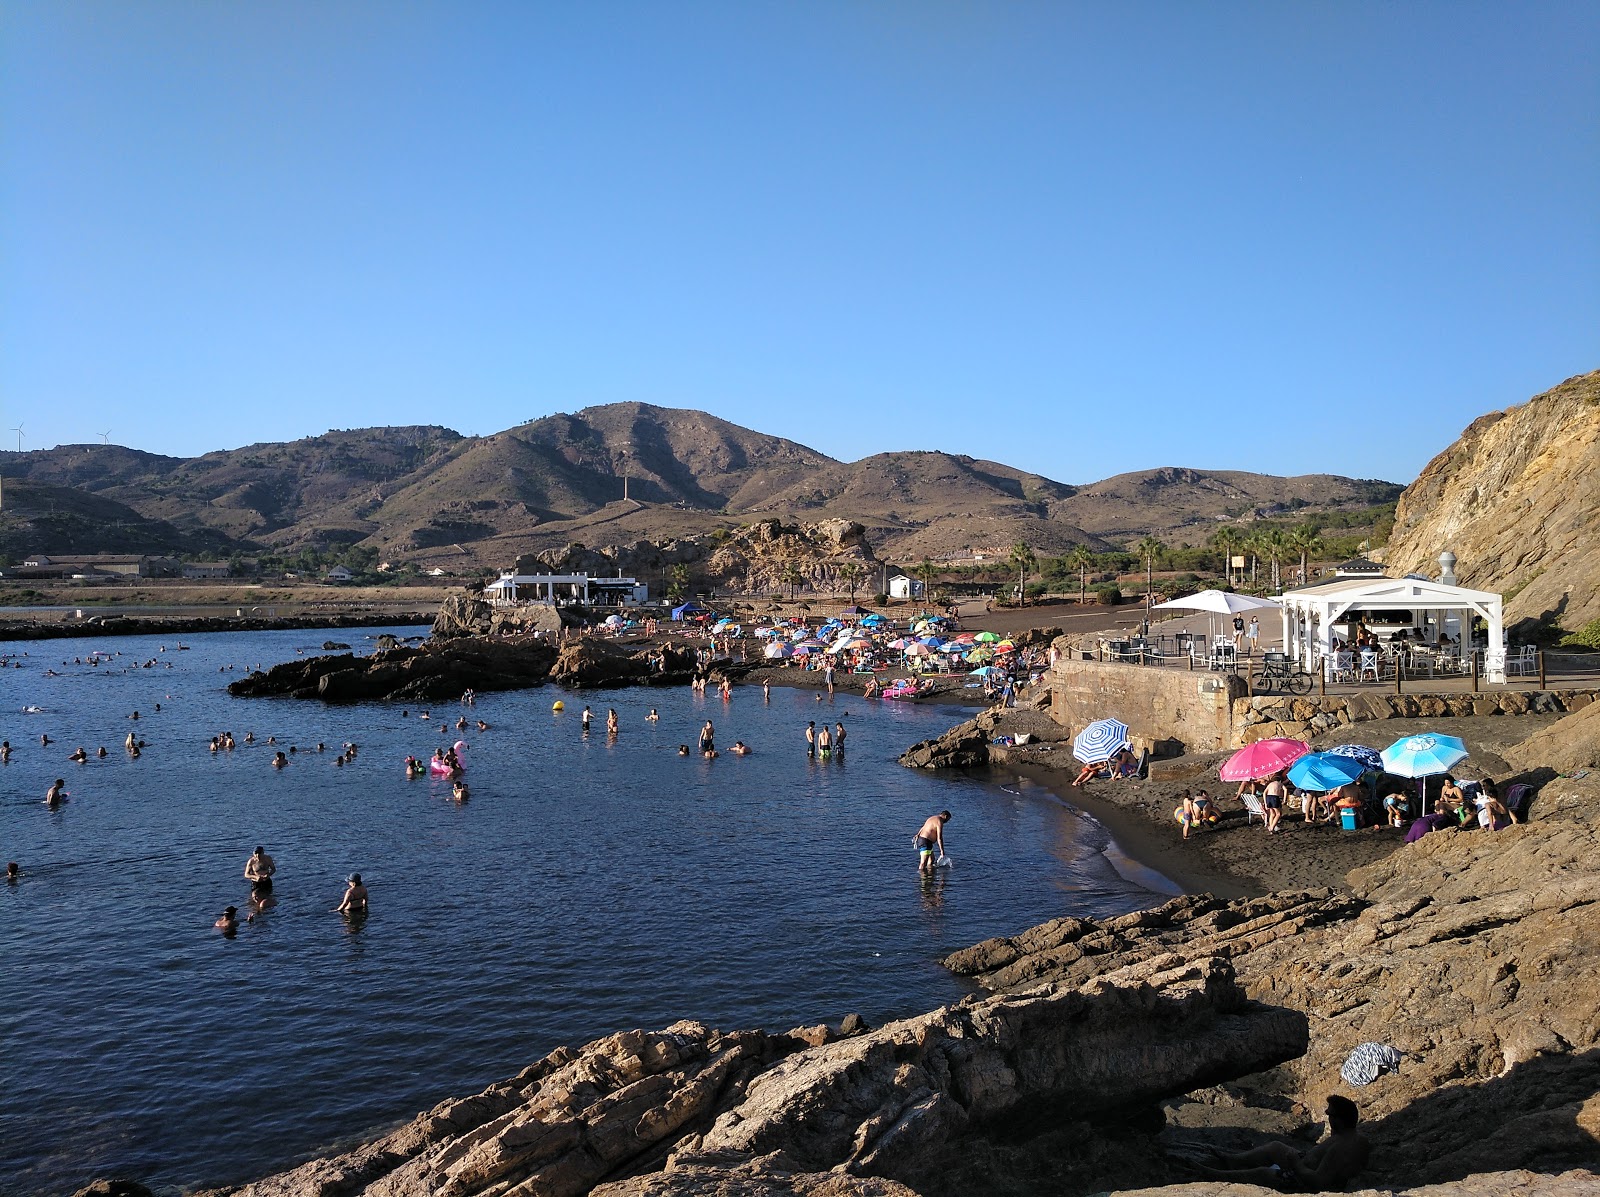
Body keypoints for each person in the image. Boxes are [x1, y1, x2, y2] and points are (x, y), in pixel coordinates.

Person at [1202, 1094, 1370, 1191]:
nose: (1328, 1117)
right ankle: (1234, 1161)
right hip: (1306, 1164)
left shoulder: (1339, 1149)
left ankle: (1217, 1176)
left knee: (1263, 1173)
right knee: (1275, 1147)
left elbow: (1319, 1181)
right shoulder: (1353, 1136)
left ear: (1340, 1119)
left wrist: (1297, 1164)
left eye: (1331, 1115)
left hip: (1304, 1180)